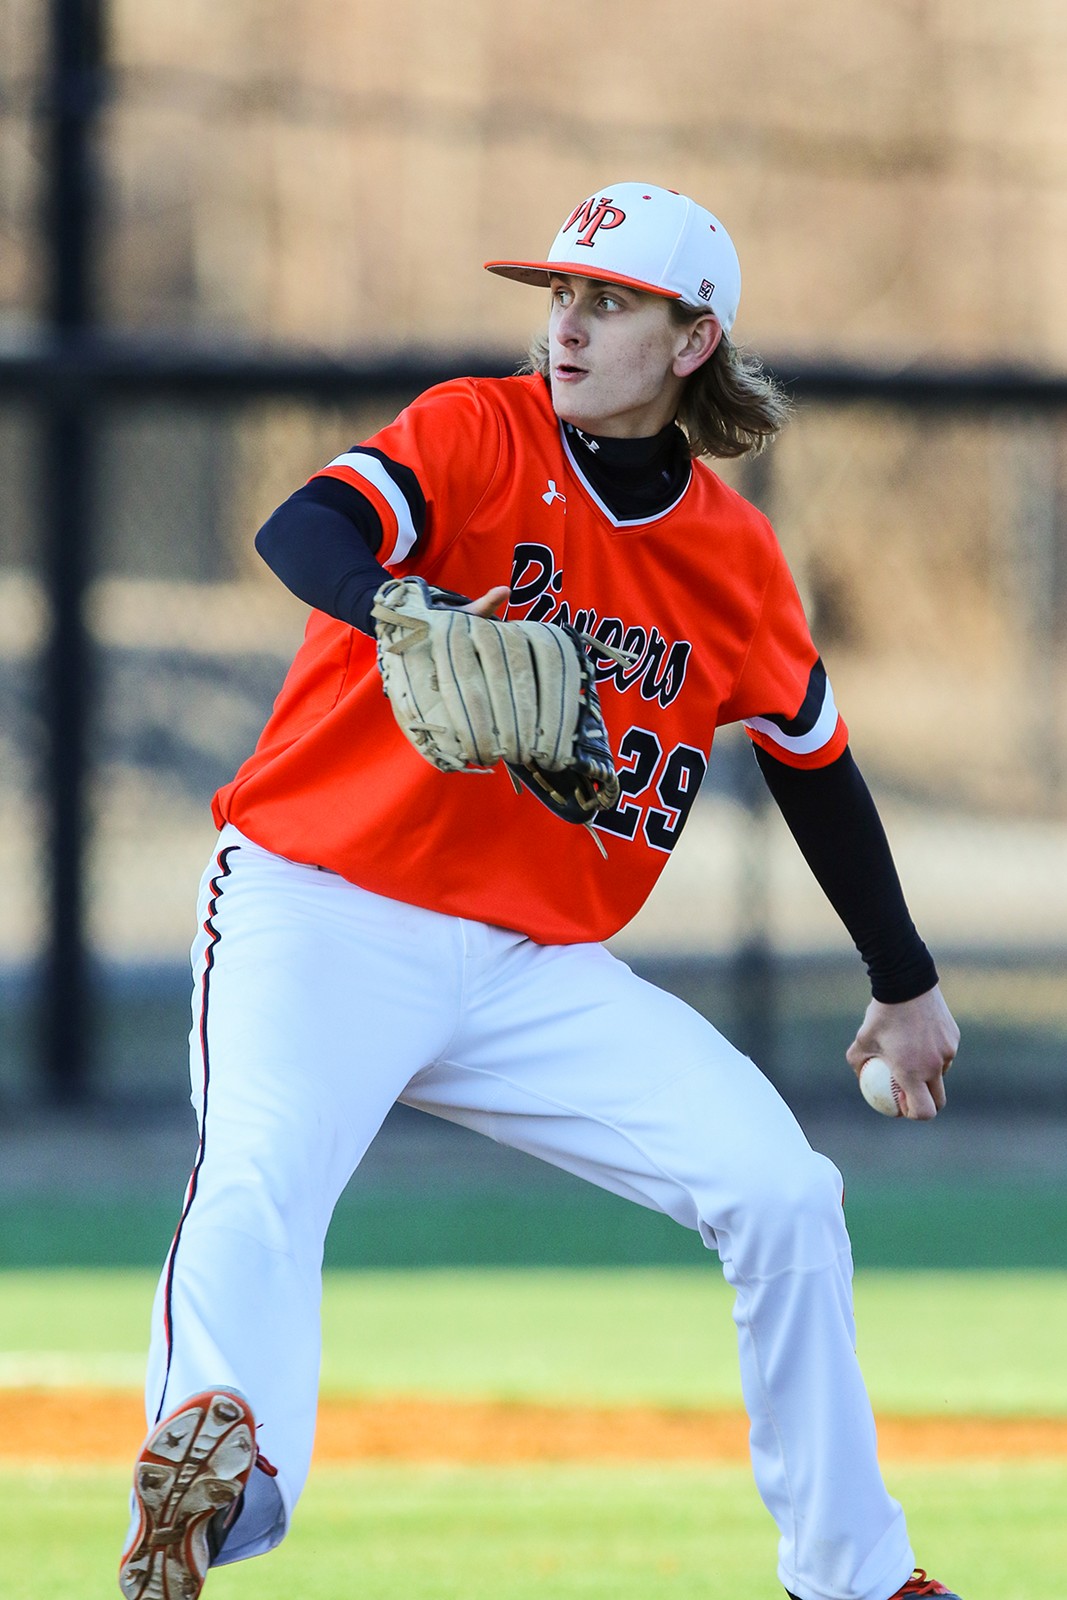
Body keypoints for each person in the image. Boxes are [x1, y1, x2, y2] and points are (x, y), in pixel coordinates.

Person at [118, 182, 962, 1600]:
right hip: (319, 907)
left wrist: (906, 981)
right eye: (558, 294)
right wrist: (404, 602)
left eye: (608, 301)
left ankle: (856, 1576)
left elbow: (815, 762)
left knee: (783, 1194)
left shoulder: (733, 560)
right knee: (262, 1178)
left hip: (527, 967)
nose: (565, 323)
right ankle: (223, 1490)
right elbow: (305, 528)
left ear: (692, 341)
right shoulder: (473, 432)